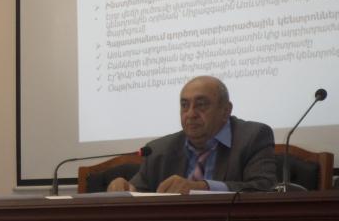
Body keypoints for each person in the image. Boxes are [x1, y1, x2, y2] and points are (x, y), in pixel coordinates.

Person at [107, 75, 276, 194]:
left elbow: (264, 189)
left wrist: (204, 188)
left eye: (201, 105)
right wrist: (125, 190)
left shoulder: (253, 137)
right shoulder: (158, 150)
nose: (190, 114)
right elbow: (138, 192)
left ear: (226, 110)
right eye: (184, 105)